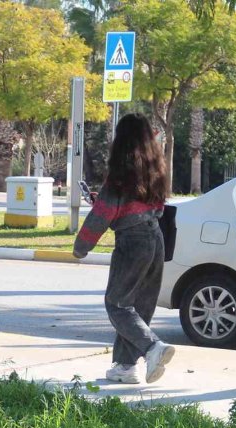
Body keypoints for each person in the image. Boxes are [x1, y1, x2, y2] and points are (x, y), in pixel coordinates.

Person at [73, 113, 175, 384]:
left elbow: (102, 215)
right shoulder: (157, 171)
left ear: (121, 141)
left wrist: (81, 247)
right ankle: (125, 366)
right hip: (156, 239)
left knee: (117, 303)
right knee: (139, 305)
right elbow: (151, 206)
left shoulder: (119, 176)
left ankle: (153, 347)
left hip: (132, 242)